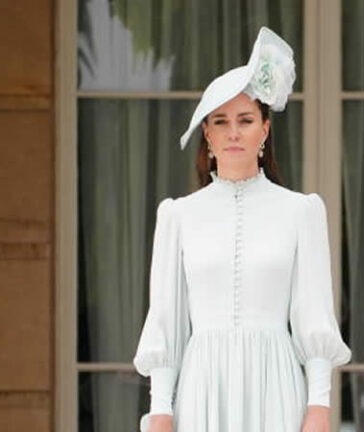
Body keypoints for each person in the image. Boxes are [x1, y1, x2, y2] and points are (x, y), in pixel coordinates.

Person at [133, 27, 351, 432]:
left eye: (245, 120)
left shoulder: (300, 211)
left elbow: (314, 313)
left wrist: (318, 404)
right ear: (207, 134)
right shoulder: (178, 216)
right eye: (221, 121)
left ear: (264, 129)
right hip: (202, 388)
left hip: (277, 387)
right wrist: (160, 408)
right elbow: (166, 317)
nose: (233, 132)